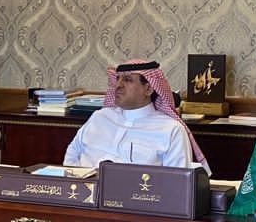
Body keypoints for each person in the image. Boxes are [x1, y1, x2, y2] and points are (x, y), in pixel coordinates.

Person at [64, 61, 210, 171]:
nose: (118, 85)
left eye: (127, 80)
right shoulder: (99, 117)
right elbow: (72, 153)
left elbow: (177, 180)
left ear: (148, 89)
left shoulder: (171, 130)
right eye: (118, 79)